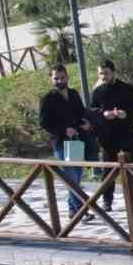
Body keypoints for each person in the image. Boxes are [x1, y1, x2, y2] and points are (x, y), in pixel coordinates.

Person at [38, 64, 96, 213]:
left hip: (76, 141)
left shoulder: (73, 94)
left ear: (67, 77)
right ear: (51, 79)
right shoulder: (47, 99)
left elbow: (81, 113)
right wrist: (63, 130)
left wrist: (85, 123)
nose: (59, 81)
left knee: (76, 176)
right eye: (56, 78)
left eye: (62, 77)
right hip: (61, 143)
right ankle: (80, 210)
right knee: (70, 176)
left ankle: (73, 209)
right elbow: (44, 123)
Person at [90, 59, 133, 211]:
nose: (103, 76)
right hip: (107, 136)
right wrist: (103, 114)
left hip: (127, 134)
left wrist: (125, 113)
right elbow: (91, 112)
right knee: (109, 170)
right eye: (101, 73)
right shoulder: (97, 92)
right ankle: (107, 201)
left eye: (106, 73)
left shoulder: (126, 88)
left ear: (113, 72)